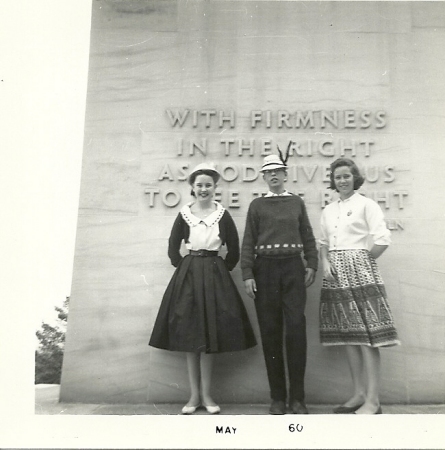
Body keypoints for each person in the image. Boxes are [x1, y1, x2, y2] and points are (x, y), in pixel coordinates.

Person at [149, 162, 256, 415]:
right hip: (189, 274)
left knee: (210, 335)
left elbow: (235, 249)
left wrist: (220, 268)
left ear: (215, 188)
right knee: (190, 335)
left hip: (215, 274)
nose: (204, 189)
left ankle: (207, 395)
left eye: (208, 185)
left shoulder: (222, 215)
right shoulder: (185, 214)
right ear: (192, 188)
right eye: (199, 185)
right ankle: (193, 396)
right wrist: (184, 267)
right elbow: (173, 246)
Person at [319, 157, 400, 415]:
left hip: (360, 272)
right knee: (349, 336)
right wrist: (324, 263)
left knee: (367, 338)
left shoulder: (367, 205)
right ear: (333, 181)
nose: (342, 181)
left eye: (346, 176)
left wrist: (363, 261)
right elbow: (323, 242)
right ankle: (358, 394)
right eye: (338, 177)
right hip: (334, 274)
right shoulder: (328, 210)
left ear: (355, 178)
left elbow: (383, 239)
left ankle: (373, 401)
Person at [241, 153, 318, 415]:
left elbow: (307, 235)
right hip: (265, 271)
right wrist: (248, 273)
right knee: (270, 331)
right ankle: (277, 398)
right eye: (268, 172)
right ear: (263, 177)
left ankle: (298, 398)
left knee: (296, 329)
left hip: (293, 270)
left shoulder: (296, 202)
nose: (273, 175)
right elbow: (248, 241)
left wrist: (312, 263)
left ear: (285, 174)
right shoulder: (256, 206)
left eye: (278, 171)